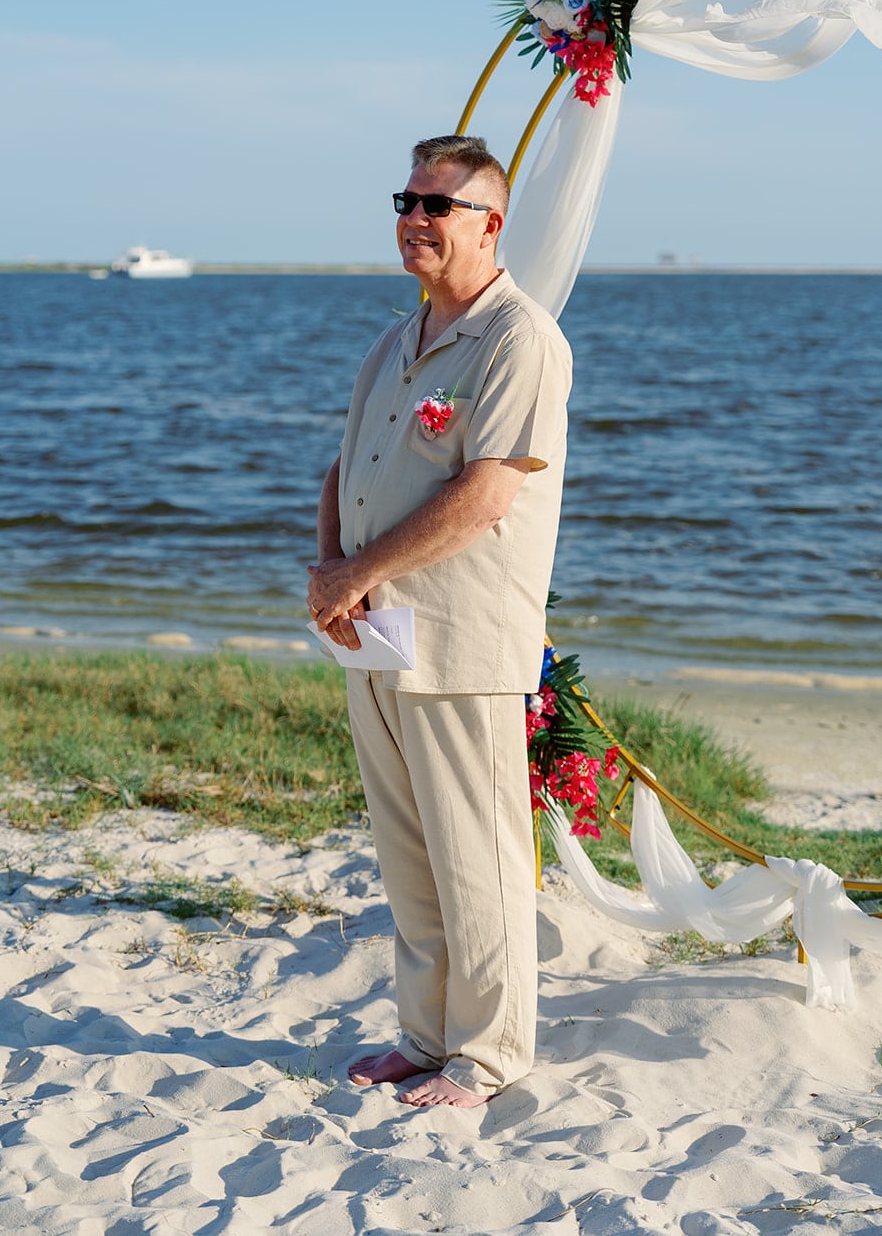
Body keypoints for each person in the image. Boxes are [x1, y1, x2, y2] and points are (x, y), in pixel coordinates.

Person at [306, 134, 571, 1108]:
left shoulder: (518, 338)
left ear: (489, 223)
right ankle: (425, 1038)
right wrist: (331, 573)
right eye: (405, 201)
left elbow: (485, 495)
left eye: (436, 205)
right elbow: (345, 466)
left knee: (478, 858)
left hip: (462, 640)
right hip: (376, 633)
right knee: (409, 856)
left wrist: (358, 571)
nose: (413, 219)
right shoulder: (395, 342)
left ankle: (488, 1055)